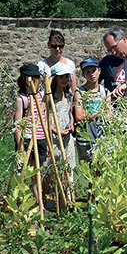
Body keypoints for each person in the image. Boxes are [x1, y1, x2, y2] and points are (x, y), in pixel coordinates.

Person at [13, 63, 48, 204]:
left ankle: (38, 202)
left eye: (36, 77)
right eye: (31, 77)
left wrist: (48, 140)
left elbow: (45, 119)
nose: (34, 80)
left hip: (40, 138)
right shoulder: (22, 99)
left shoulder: (42, 96)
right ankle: (22, 202)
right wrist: (20, 146)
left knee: (37, 172)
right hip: (27, 138)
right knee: (24, 172)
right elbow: (18, 124)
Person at [74, 57, 110, 163]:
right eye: (88, 72)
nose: (92, 75)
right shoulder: (80, 92)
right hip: (85, 138)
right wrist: (98, 112)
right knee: (88, 170)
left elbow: (108, 116)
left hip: (101, 136)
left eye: (94, 71)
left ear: (99, 71)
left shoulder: (105, 92)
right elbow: (80, 117)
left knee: (102, 167)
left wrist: (89, 114)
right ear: (84, 74)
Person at [49, 62, 76, 194]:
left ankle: (68, 198)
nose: (65, 80)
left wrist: (71, 124)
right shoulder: (49, 98)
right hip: (53, 136)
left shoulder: (68, 95)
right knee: (52, 166)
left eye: (67, 77)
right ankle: (51, 198)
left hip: (67, 136)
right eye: (61, 77)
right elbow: (45, 119)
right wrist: (56, 130)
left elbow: (69, 112)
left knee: (68, 166)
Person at [37, 30, 77, 94]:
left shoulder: (70, 64)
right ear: (48, 45)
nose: (57, 49)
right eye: (54, 46)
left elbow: (73, 90)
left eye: (61, 46)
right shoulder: (42, 66)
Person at [99, 27, 127, 93]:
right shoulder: (107, 61)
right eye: (110, 50)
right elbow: (95, 80)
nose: (114, 52)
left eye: (114, 47)